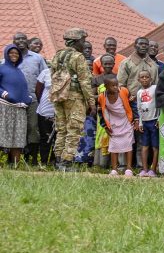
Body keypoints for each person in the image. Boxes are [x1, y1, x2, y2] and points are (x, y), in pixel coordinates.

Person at [48, 29, 94, 171]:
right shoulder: (78, 57)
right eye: (82, 40)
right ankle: (67, 162)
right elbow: (85, 81)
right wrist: (91, 102)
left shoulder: (58, 55)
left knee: (61, 129)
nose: (84, 43)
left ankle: (58, 160)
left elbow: (52, 75)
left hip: (58, 96)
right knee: (74, 129)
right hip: (75, 97)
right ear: (75, 41)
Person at [12, 33, 47, 160]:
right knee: (17, 127)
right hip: (14, 99)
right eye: (17, 39)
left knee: (33, 127)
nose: (20, 41)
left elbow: (45, 78)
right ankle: (14, 158)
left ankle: (32, 158)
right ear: (13, 42)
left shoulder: (37, 58)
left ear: (27, 41)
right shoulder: (10, 58)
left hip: (33, 98)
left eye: (23, 38)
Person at [1, 44, 33, 164]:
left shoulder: (19, 71)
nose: (14, 55)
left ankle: (14, 166)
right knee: (2, 134)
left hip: (20, 108)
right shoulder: (1, 68)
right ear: (6, 54)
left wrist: (28, 97)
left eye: (16, 53)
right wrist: (4, 94)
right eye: (11, 53)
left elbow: (22, 87)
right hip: (4, 107)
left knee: (18, 137)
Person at [98, 74, 134, 176]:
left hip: (126, 121)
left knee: (128, 145)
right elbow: (100, 112)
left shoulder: (123, 91)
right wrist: (105, 126)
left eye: (116, 85)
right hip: (113, 123)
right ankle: (114, 169)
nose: (116, 87)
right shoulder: (102, 96)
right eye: (112, 86)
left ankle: (129, 168)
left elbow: (132, 104)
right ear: (105, 86)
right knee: (113, 146)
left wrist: (135, 119)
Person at [134, 69, 160, 176]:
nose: (144, 79)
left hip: (154, 121)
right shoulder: (139, 92)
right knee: (144, 146)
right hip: (144, 122)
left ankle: (153, 169)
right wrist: (140, 122)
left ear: (151, 79)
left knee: (155, 146)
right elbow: (139, 108)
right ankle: (144, 169)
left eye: (147, 77)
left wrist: (159, 118)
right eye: (142, 77)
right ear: (138, 79)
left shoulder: (155, 88)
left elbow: (159, 104)